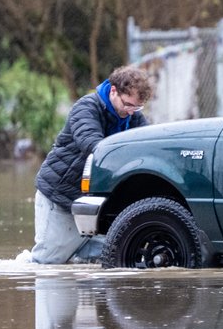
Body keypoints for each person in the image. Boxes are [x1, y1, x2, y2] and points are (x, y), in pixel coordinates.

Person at [26, 65, 153, 263]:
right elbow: (94, 146)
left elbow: (148, 144)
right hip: (59, 196)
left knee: (117, 255)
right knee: (47, 262)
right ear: (113, 91)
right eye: (127, 104)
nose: (130, 112)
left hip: (91, 203)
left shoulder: (133, 116)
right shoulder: (86, 108)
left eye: (136, 107)